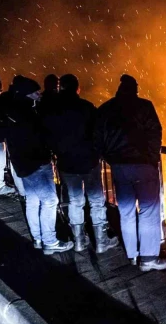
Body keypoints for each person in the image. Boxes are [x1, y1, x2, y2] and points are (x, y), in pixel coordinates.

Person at [94, 74, 166, 271]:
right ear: (135, 89)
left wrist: (110, 158)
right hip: (143, 165)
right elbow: (155, 132)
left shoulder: (106, 109)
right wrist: (152, 158)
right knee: (148, 210)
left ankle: (132, 255)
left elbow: (97, 138)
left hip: (119, 167)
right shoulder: (145, 106)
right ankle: (148, 258)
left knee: (126, 211)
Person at [41, 74, 119, 253]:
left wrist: (58, 152)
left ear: (61, 88)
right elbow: (98, 133)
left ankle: (79, 242)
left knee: (75, 201)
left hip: (67, 164)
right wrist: (98, 152)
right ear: (78, 88)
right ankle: (100, 242)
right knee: (97, 200)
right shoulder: (87, 107)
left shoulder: (53, 111)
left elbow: (48, 136)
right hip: (89, 162)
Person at [4, 75, 73, 254]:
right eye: (36, 92)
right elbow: (36, 139)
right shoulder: (26, 114)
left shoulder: (15, 111)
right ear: (28, 94)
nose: (39, 94)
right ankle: (49, 242)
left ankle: (38, 238)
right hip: (35, 164)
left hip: (24, 164)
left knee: (33, 201)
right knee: (50, 201)